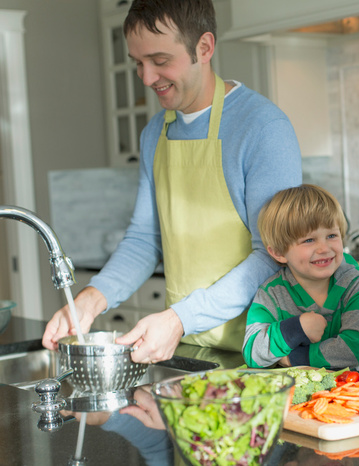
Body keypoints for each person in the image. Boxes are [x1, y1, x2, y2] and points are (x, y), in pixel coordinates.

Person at [42, 0, 302, 362]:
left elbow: (273, 256)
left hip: (266, 351)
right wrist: (91, 299)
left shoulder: (264, 129)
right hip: (188, 348)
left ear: (204, 47)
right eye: (138, 63)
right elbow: (144, 240)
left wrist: (181, 318)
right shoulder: (155, 134)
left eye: (160, 61)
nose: (147, 78)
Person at [242, 184, 359, 372]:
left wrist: (292, 359)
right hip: (316, 394)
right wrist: (297, 328)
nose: (324, 248)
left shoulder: (355, 282)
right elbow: (252, 352)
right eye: (309, 240)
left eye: (332, 235)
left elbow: (352, 351)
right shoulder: (271, 293)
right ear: (278, 252)